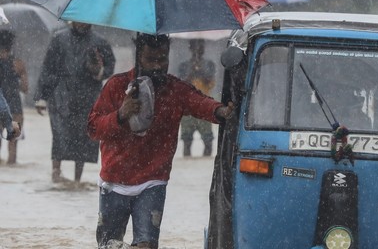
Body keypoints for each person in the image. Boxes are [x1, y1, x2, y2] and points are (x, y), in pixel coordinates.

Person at [88, 33, 234, 249]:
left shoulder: (175, 89)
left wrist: (221, 111)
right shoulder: (116, 86)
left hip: (152, 181)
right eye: (151, 60)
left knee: (146, 245)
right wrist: (120, 115)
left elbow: (200, 103)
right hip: (113, 182)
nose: (158, 66)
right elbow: (93, 128)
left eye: (162, 59)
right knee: (109, 245)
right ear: (139, 57)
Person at [35, 22, 115, 182]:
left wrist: (98, 70)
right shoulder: (59, 38)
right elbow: (48, 68)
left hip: (88, 96)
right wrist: (41, 96)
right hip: (61, 95)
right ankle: (56, 174)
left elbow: (109, 66)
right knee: (59, 134)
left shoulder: (100, 41)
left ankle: (77, 180)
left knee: (83, 137)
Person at [177, 39, 216, 157]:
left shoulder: (209, 65)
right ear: (191, 48)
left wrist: (201, 72)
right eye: (195, 46)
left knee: (208, 141)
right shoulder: (183, 66)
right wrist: (191, 73)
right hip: (188, 108)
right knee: (187, 141)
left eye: (201, 46)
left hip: (205, 106)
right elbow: (180, 85)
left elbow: (211, 82)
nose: (198, 49)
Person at [0, 30, 27, 164]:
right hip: (15, 107)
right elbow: (25, 88)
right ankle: (11, 166)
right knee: (13, 143)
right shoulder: (18, 64)